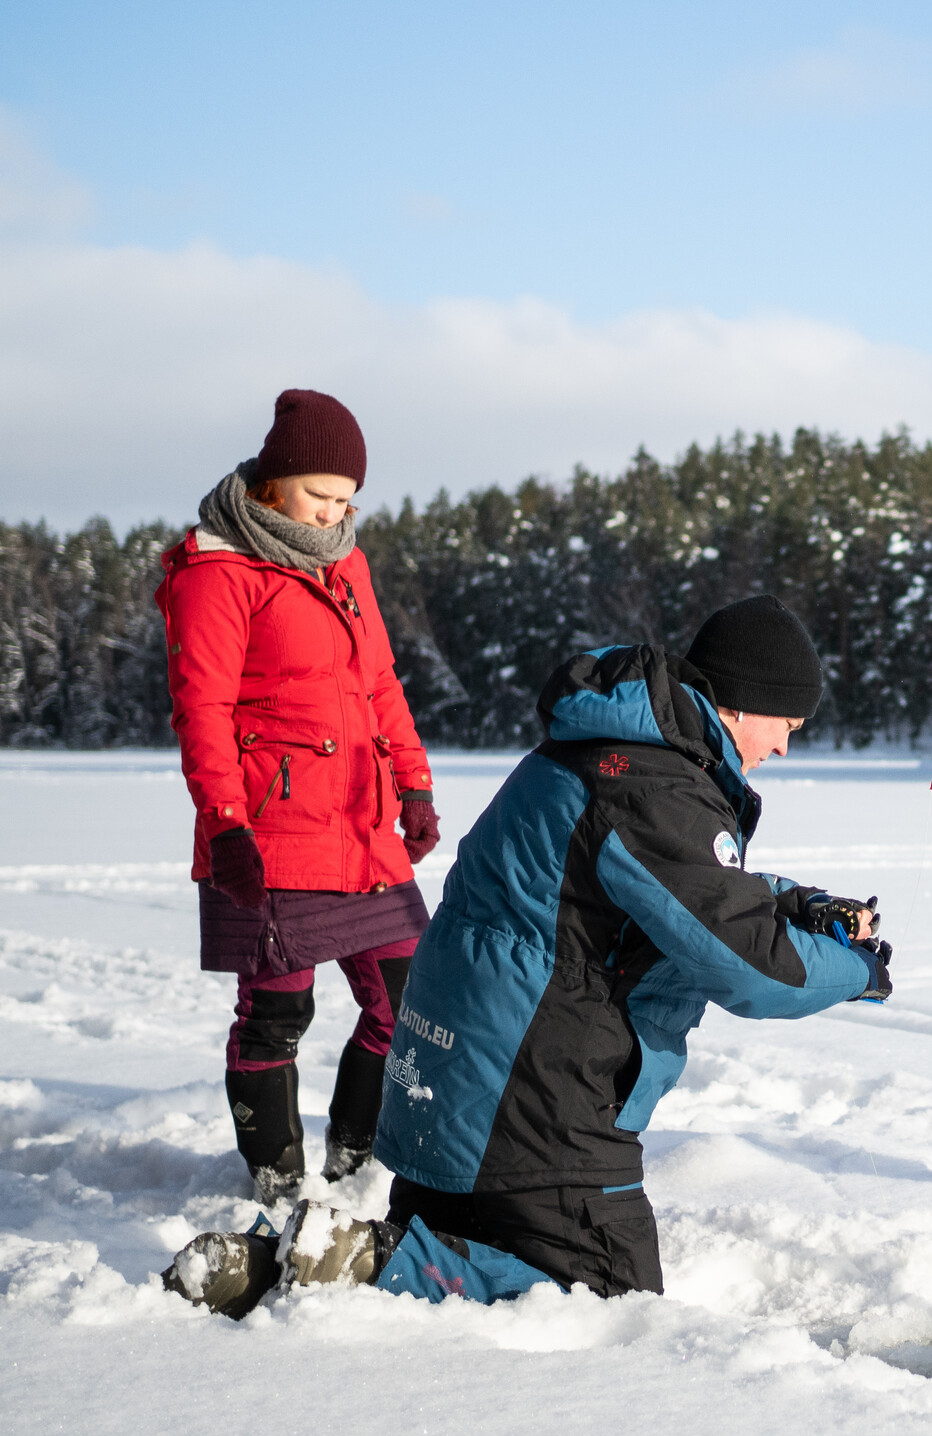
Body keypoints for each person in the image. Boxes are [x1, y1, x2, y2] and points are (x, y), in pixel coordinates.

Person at [164, 595, 890, 1317]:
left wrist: (799, 904)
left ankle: (292, 1266)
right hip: (534, 1110)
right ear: (741, 701)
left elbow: (690, 886)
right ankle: (373, 1269)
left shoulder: (605, 755)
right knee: (609, 1310)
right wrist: (860, 971)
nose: (785, 747)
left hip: (448, 1093)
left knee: (447, 1290)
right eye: (787, 724)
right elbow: (750, 965)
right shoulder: (652, 784)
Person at [154, 390, 441, 1205]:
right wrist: (226, 826)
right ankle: (280, 1186)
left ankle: (356, 1166)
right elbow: (201, 712)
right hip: (274, 828)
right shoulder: (218, 572)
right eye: (321, 495)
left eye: (348, 499)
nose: (335, 513)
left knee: (408, 1001)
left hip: (358, 827)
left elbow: (379, 681)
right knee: (278, 1012)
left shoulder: (345, 563)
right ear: (273, 483)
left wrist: (413, 780)